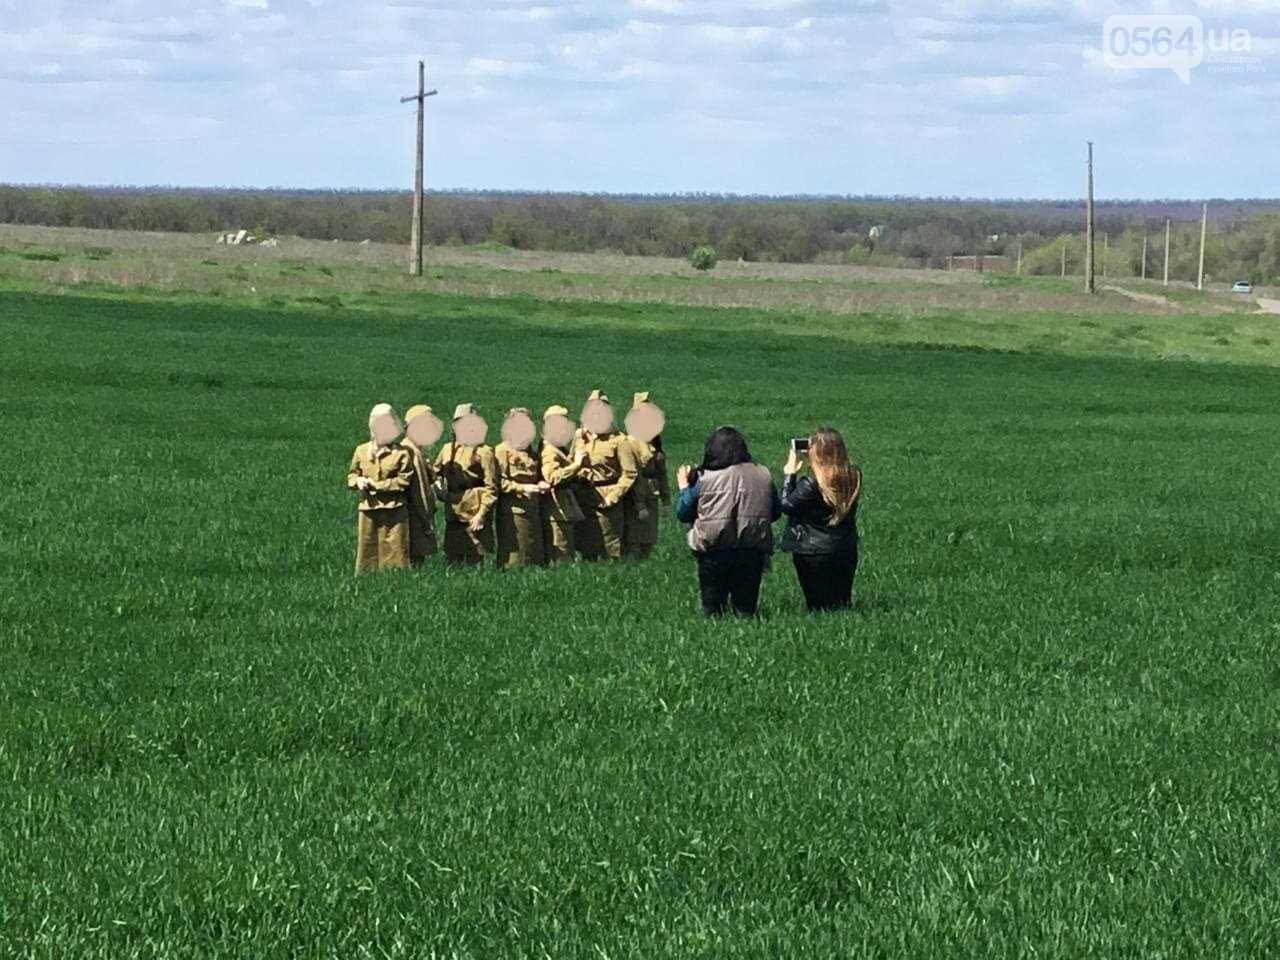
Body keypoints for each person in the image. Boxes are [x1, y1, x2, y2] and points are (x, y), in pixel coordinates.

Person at [675, 426, 781, 617]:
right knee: (746, 610)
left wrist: (683, 487)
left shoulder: (704, 478)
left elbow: (683, 512)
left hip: (713, 549)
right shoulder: (763, 474)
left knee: (713, 609)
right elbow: (775, 512)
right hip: (752, 549)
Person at [780, 427, 862, 611]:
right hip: (845, 547)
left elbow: (786, 505)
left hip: (812, 552)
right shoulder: (853, 475)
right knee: (842, 604)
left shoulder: (811, 483)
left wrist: (789, 473)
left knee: (817, 607)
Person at [345, 403, 415, 574]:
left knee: (395, 552)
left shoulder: (402, 453)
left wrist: (379, 486)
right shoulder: (361, 451)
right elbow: (351, 475)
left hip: (394, 510)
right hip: (369, 509)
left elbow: (404, 481)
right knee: (367, 551)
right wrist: (358, 481)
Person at [574, 389, 638, 561]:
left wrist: (613, 497)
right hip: (583, 497)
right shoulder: (579, 437)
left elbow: (629, 473)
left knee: (610, 546)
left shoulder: (619, 441)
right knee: (584, 544)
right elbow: (571, 463)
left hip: (606, 499)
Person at [434, 403, 499, 566]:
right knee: (452, 556)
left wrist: (481, 515)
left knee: (475, 557)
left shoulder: (484, 452)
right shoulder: (447, 449)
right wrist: (438, 490)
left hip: (474, 511)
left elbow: (491, 488)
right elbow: (434, 473)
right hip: (453, 511)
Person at [494, 407, 550, 568]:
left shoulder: (530, 452)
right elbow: (499, 482)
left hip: (534, 508)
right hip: (513, 511)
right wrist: (522, 488)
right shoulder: (501, 450)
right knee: (516, 554)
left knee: (534, 552)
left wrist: (541, 484)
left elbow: (536, 475)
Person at [622, 391, 671, 560]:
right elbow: (633, 475)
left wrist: (666, 501)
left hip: (652, 496)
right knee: (634, 541)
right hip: (636, 498)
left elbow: (661, 474)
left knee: (649, 540)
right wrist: (640, 504)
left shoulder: (654, 441)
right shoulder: (630, 443)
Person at [539, 405, 588, 564]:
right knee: (562, 554)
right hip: (557, 510)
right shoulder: (549, 451)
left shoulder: (559, 448)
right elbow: (552, 477)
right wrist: (576, 465)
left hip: (564, 507)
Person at [402, 404, 443, 567]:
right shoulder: (413, 452)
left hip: (413, 512)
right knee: (414, 557)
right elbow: (420, 491)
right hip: (415, 514)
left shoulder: (414, 449)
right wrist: (427, 519)